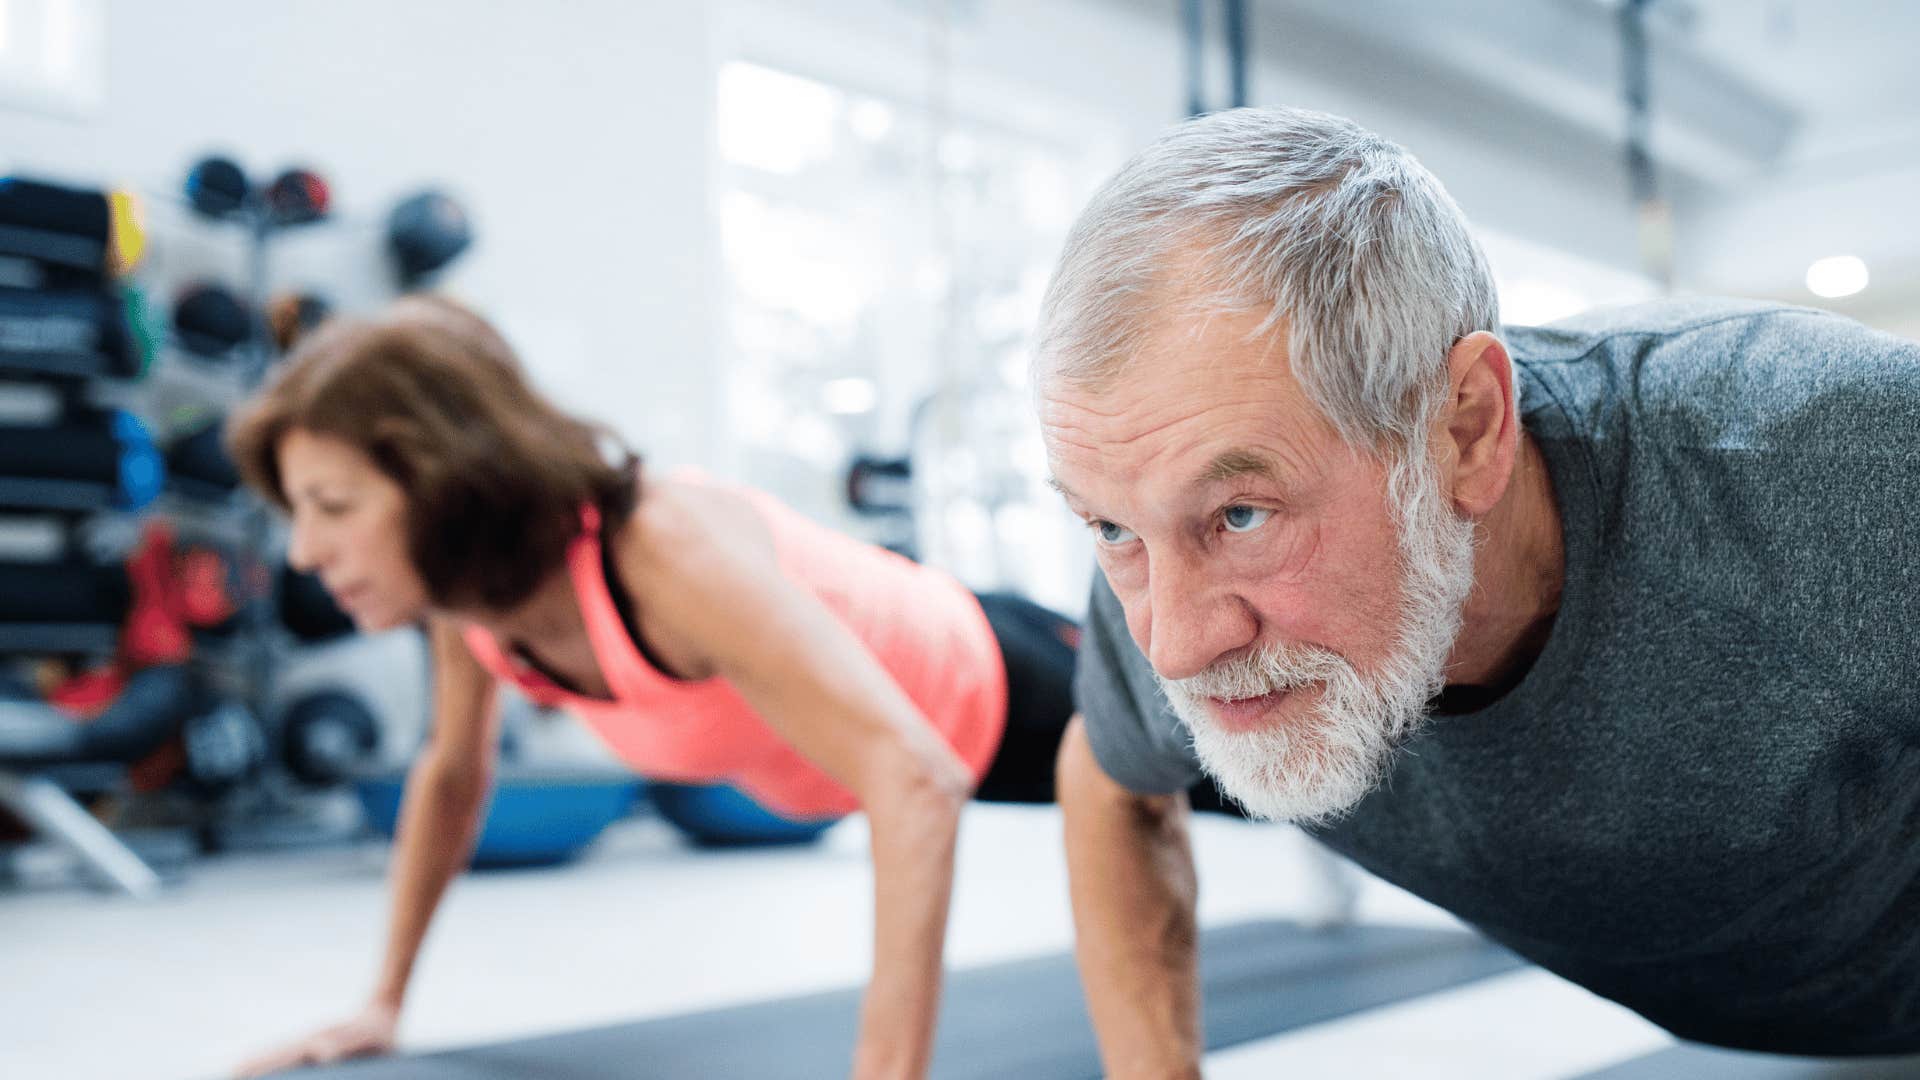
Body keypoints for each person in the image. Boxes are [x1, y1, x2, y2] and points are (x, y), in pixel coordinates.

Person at [1034, 105, 1920, 1075]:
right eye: (1112, 527)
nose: (1174, 645)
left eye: (1242, 515)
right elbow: (1108, 778)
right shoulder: (1169, 547)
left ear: (1466, 430)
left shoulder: (1839, 460)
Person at [219, 295, 1152, 1079]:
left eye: (333, 507)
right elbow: (453, 776)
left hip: (1003, 680)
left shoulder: (661, 552)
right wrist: (382, 1004)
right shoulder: (470, 599)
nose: (305, 552)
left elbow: (915, 778)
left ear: (441, 481)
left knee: (1281, 790)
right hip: (906, 748)